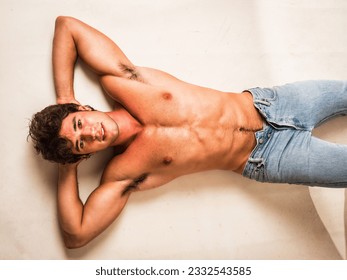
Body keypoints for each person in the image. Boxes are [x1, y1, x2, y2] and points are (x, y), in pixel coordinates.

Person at [28, 16, 347, 249]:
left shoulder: (125, 81)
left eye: (79, 125)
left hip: (274, 104)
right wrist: (67, 165)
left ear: (83, 109)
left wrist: (64, 97)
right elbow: (76, 234)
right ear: (87, 154)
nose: (91, 133)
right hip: (267, 158)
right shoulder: (124, 173)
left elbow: (66, 27)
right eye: (82, 144)